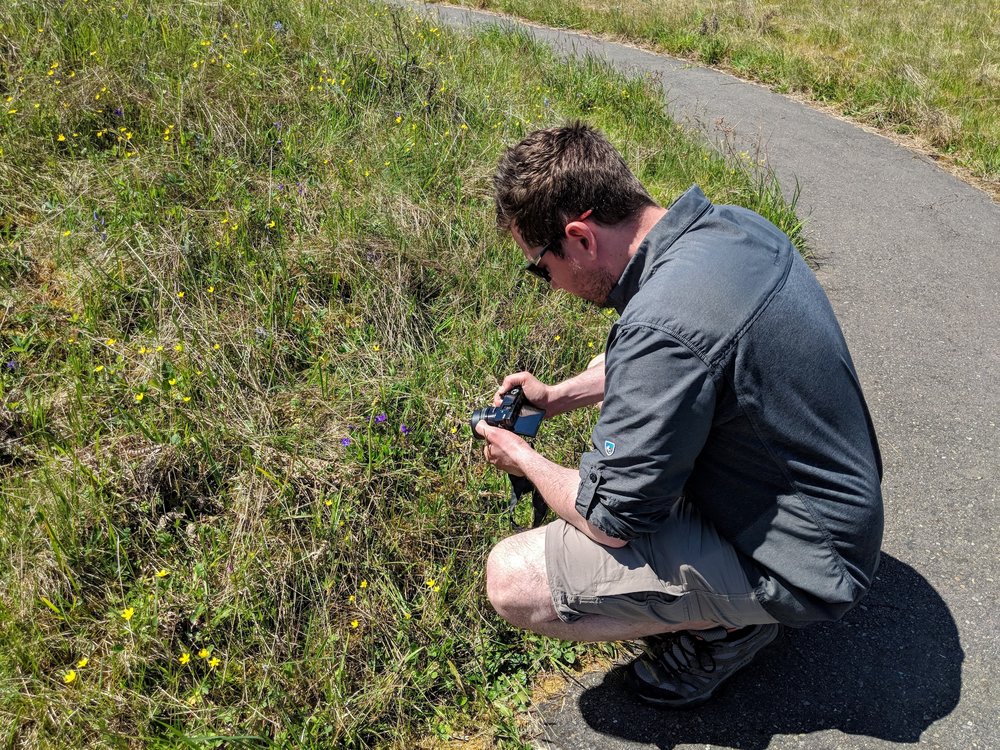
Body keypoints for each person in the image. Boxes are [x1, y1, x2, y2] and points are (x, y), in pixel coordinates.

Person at [475, 122, 884, 708]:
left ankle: (729, 629)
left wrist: (523, 458)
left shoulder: (659, 325)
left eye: (541, 267)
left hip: (813, 565)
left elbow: (610, 518)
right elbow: (685, 355)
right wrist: (558, 395)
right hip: (835, 503)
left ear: (580, 239)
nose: (550, 284)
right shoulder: (732, 229)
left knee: (512, 579)